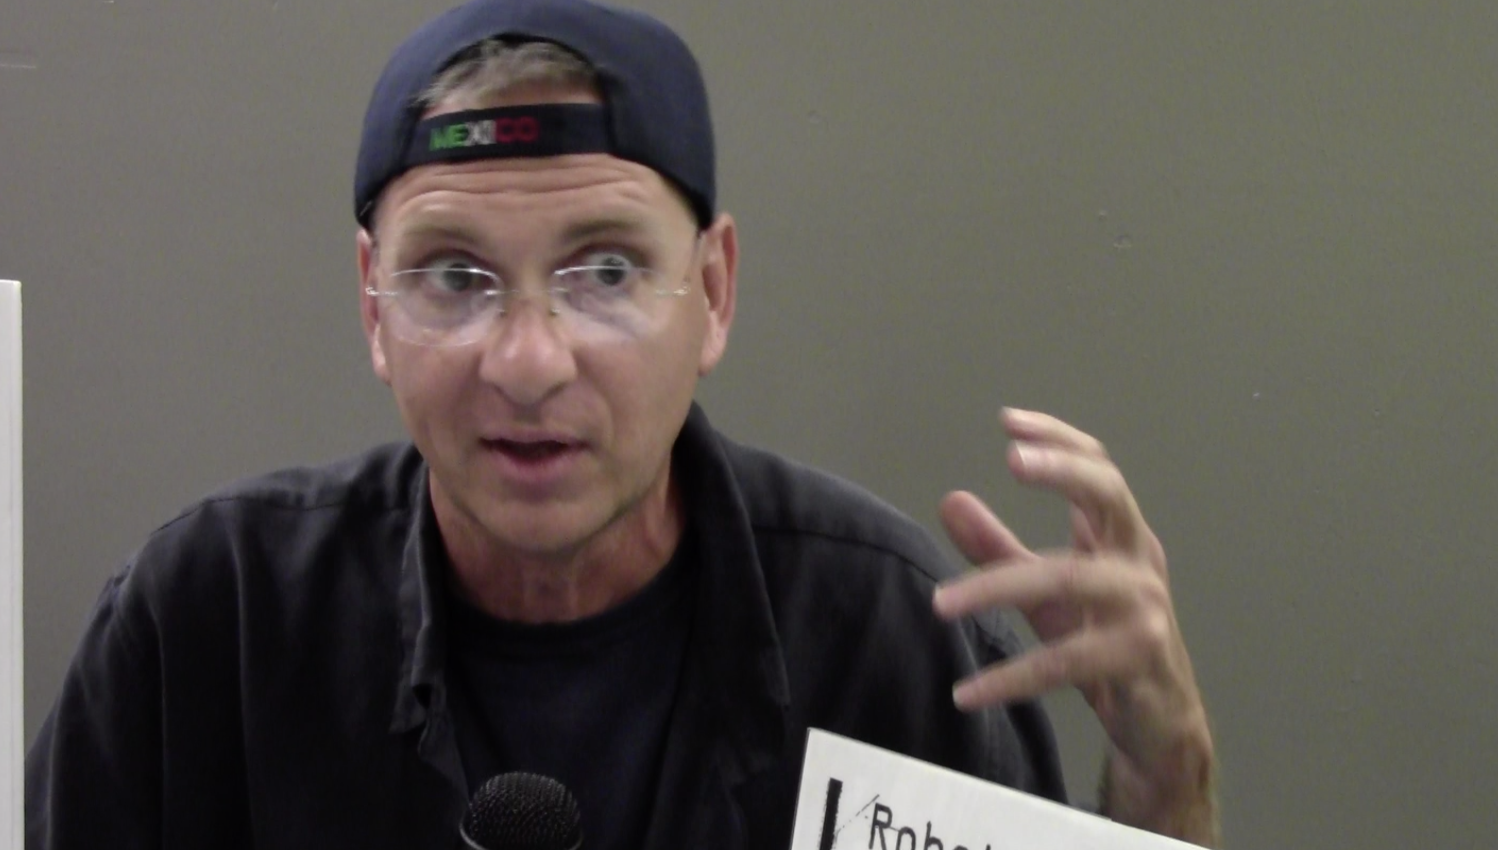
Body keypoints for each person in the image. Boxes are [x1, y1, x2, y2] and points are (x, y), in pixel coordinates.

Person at [26, 0, 1219, 847]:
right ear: (373, 307)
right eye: (453, 277)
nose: (528, 361)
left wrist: (1166, 788)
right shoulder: (211, 623)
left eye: (603, 271)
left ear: (713, 292)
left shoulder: (886, 641)